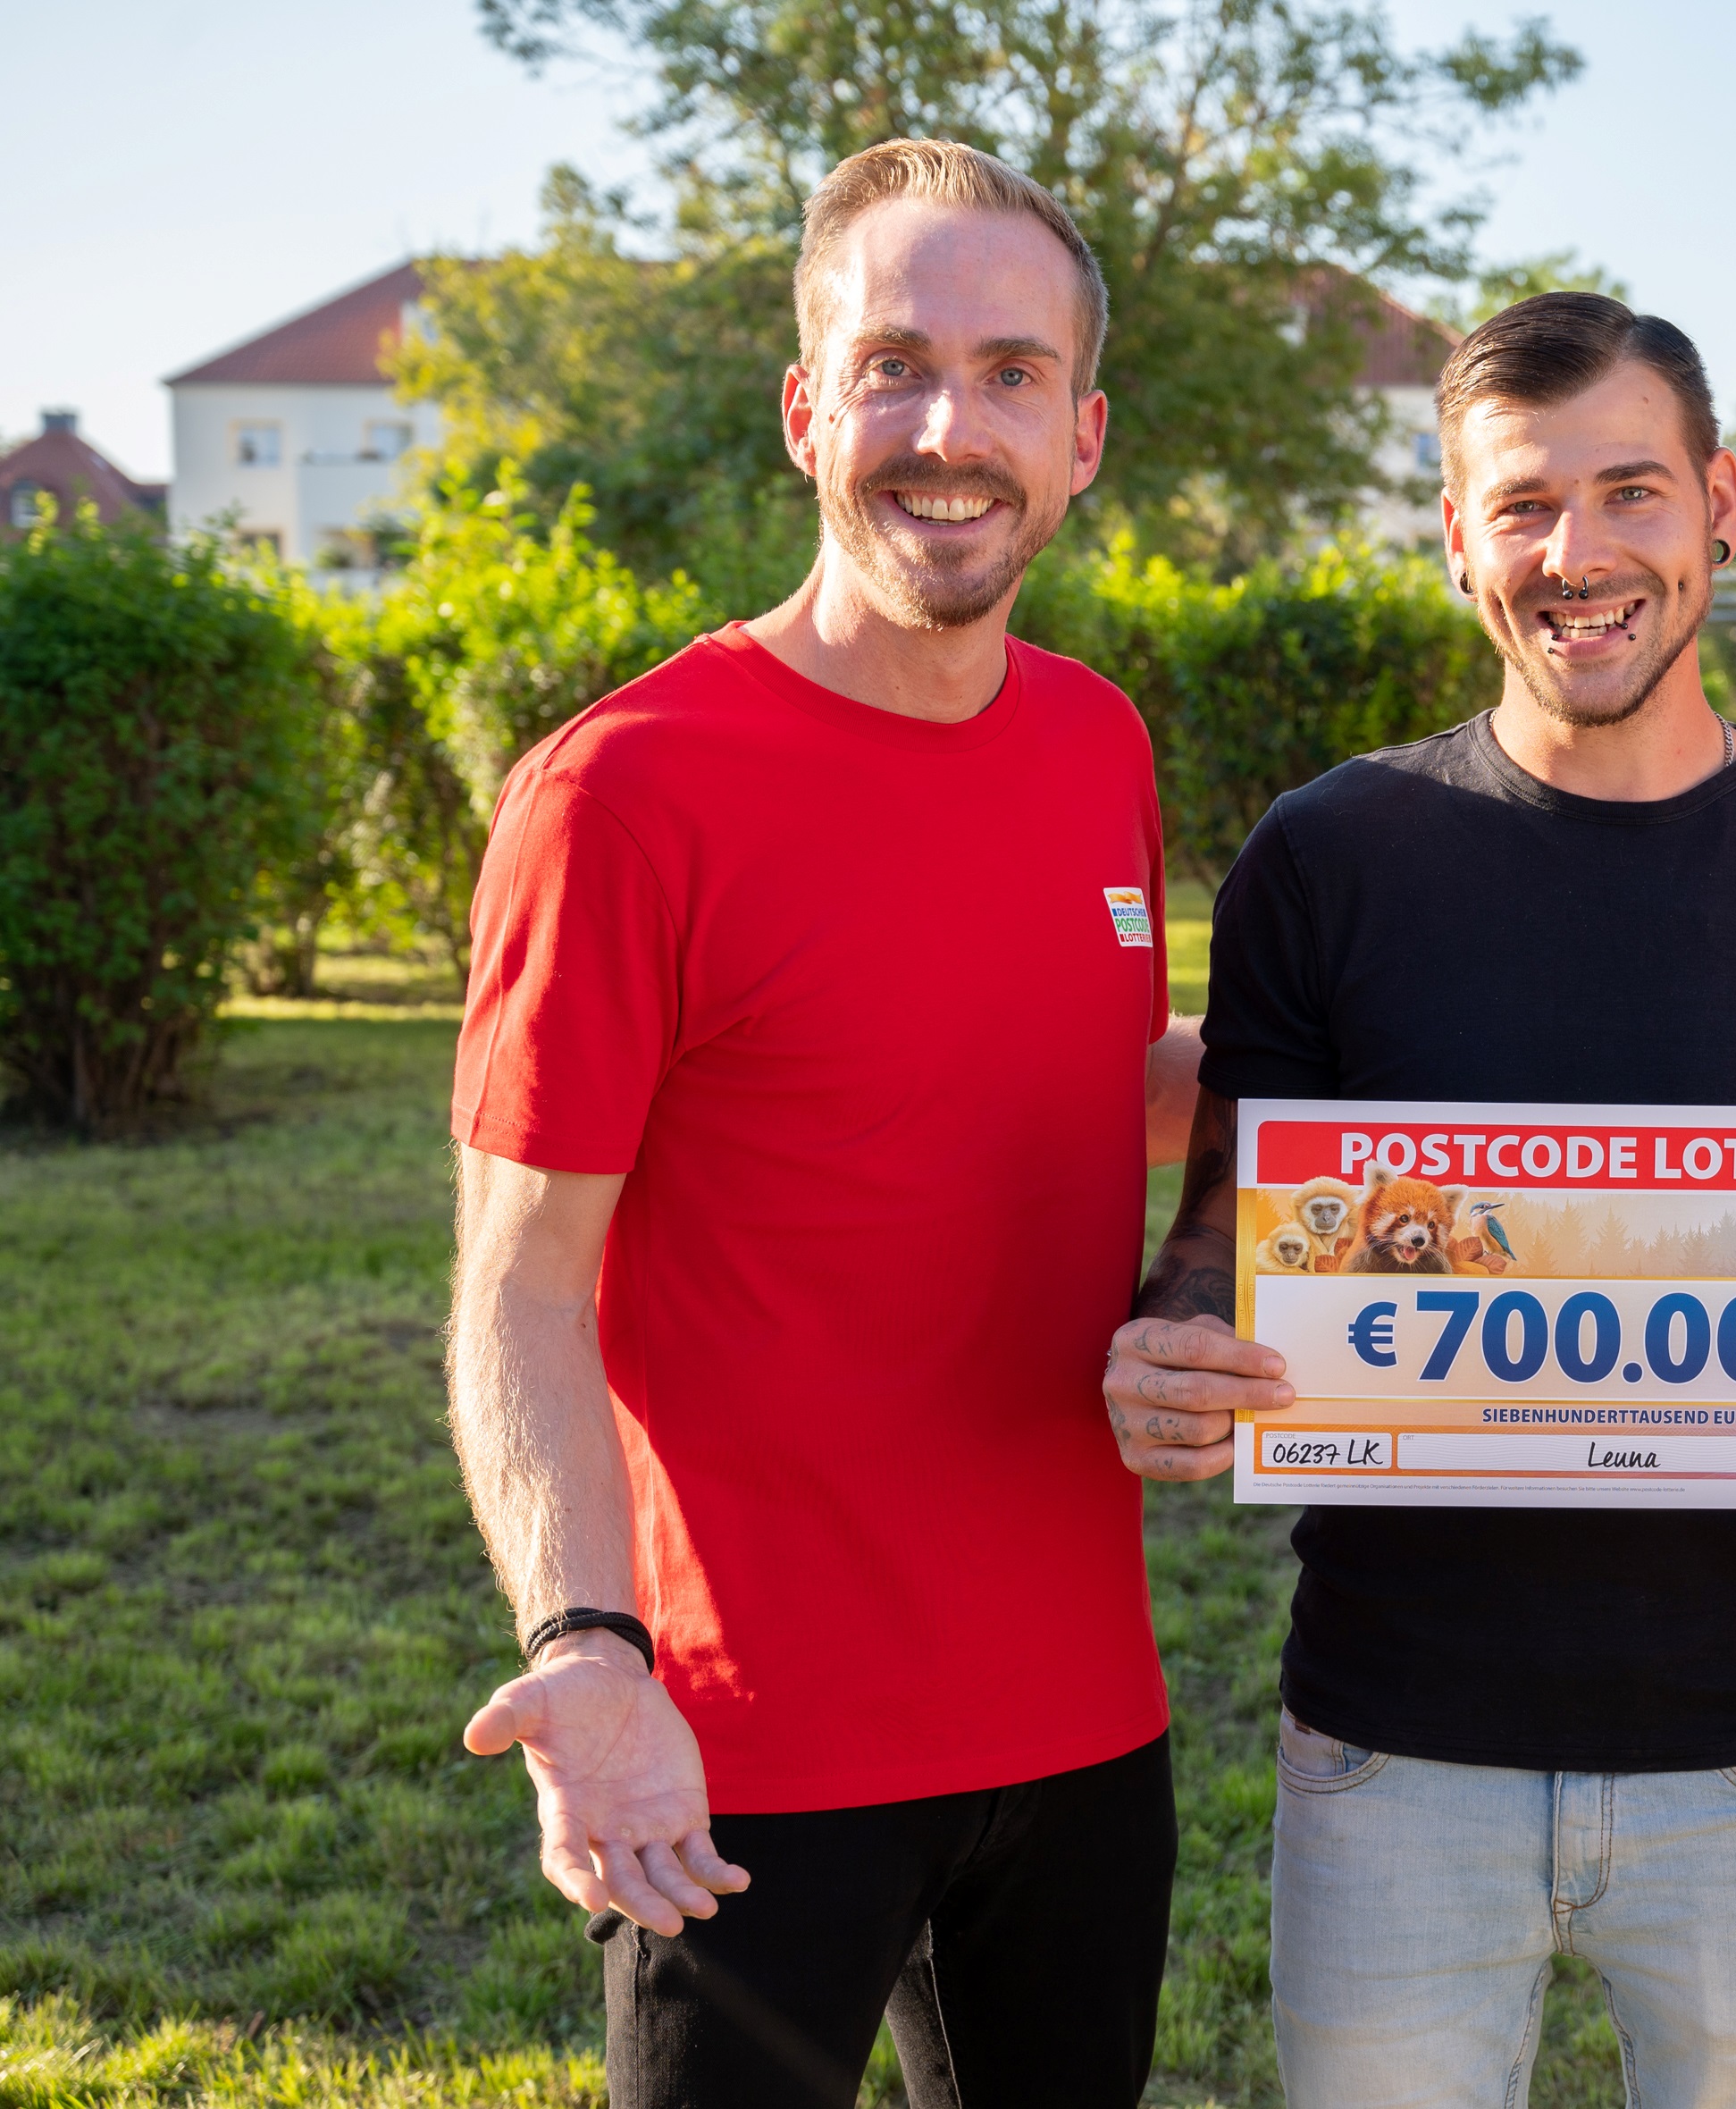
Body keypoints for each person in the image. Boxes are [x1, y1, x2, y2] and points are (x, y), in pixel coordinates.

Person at [1094, 291, 1736, 2107]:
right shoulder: (1325, 858)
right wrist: (1169, 1348)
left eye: (1629, 490)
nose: (1577, 553)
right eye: (1522, 504)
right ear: (1456, 538)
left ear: (1717, 506)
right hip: (1392, 1751)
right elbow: (1220, 1235)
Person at [446, 139, 1202, 2109]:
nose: (951, 429)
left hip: (1081, 1724)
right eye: (895, 367)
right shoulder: (624, 792)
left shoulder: (1098, 737)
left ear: (1082, 433)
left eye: (1011, 374)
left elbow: (1075, 1084)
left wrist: (1420, 1090)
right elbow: (519, 1284)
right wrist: (588, 1649)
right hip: (739, 1752)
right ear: (806, 410)